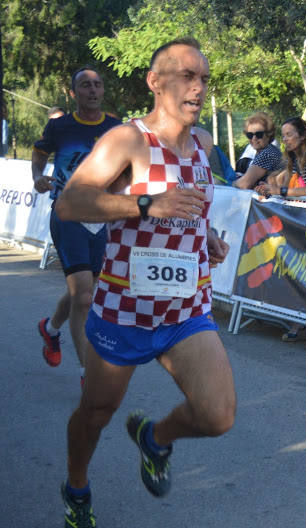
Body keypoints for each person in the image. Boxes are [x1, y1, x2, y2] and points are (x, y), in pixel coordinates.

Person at [53, 38, 235, 527]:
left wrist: (208, 238)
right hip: (125, 311)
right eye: (186, 76)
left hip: (186, 309)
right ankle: (76, 486)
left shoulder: (204, 144)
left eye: (203, 79)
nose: (197, 87)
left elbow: (189, 212)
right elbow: (70, 204)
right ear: (156, 82)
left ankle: (155, 439)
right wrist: (144, 204)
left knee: (217, 416)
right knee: (95, 413)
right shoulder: (128, 141)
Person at [32, 67, 122, 387]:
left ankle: (51, 329)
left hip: (100, 217)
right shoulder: (60, 126)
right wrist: (37, 177)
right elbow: (39, 151)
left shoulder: (115, 128)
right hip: (67, 213)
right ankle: (88, 374)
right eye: (86, 85)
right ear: (74, 93)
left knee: (84, 291)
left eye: (98, 85)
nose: (93, 90)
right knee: (83, 296)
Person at [257, 116, 306, 199]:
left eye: (289, 134)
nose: (285, 139)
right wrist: (268, 190)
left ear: (302, 135)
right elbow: (287, 190)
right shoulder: (294, 159)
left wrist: (278, 190)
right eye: (283, 136)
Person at [233, 112, 284, 190]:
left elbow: (243, 184)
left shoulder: (267, 154)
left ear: (268, 134)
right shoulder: (267, 151)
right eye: (250, 135)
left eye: (259, 134)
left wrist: (230, 182)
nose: (254, 138)